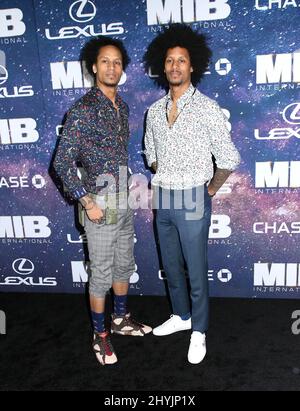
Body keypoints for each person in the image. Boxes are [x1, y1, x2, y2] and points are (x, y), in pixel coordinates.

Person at [143, 24, 240, 364]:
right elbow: (150, 153)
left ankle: (199, 330)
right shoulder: (153, 111)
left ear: (192, 65)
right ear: (163, 65)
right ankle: (181, 317)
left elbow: (229, 158)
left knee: (195, 269)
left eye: (181, 60)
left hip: (194, 196)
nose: (174, 66)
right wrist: (166, 171)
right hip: (163, 197)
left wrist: (208, 189)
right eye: (169, 60)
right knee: (170, 266)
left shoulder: (207, 108)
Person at [54, 36, 152, 366]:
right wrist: (86, 201)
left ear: (122, 69)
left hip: (123, 199)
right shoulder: (82, 110)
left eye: (117, 62)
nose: (111, 67)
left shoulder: (121, 106)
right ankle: (100, 336)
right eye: (105, 61)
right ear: (94, 67)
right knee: (101, 274)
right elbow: (62, 162)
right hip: (99, 203)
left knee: (125, 265)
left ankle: (120, 320)